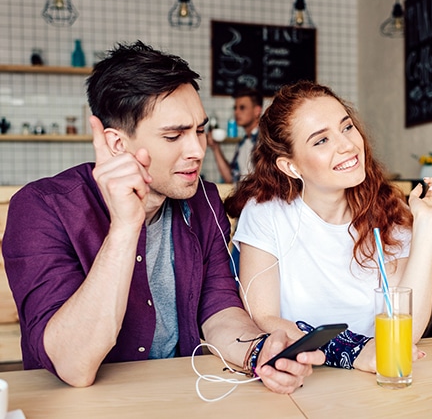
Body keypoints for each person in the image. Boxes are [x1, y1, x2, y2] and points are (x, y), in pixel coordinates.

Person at [2, 41, 323, 391]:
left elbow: (219, 309)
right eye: (174, 135)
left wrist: (260, 351)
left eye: (200, 130)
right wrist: (125, 227)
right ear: (116, 144)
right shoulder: (40, 208)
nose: (197, 150)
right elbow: (73, 365)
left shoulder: (203, 199)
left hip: (182, 396)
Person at [224, 81, 432, 373]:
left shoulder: (388, 210)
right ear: (290, 166)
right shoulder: (267, 212)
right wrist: (352, 352)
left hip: (375, 376)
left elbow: (406, 332)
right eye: (321, 141)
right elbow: (264, 318)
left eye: (346, 127)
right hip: (300, 377)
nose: (347, 145)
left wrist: (428, 224)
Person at [208, 88, 263, 183]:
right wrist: (215, 148)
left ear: (257, 111)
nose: (236, 112)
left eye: (242, 108)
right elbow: (230, 178)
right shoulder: (242, 144)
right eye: (235, 108)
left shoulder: (265, 141)